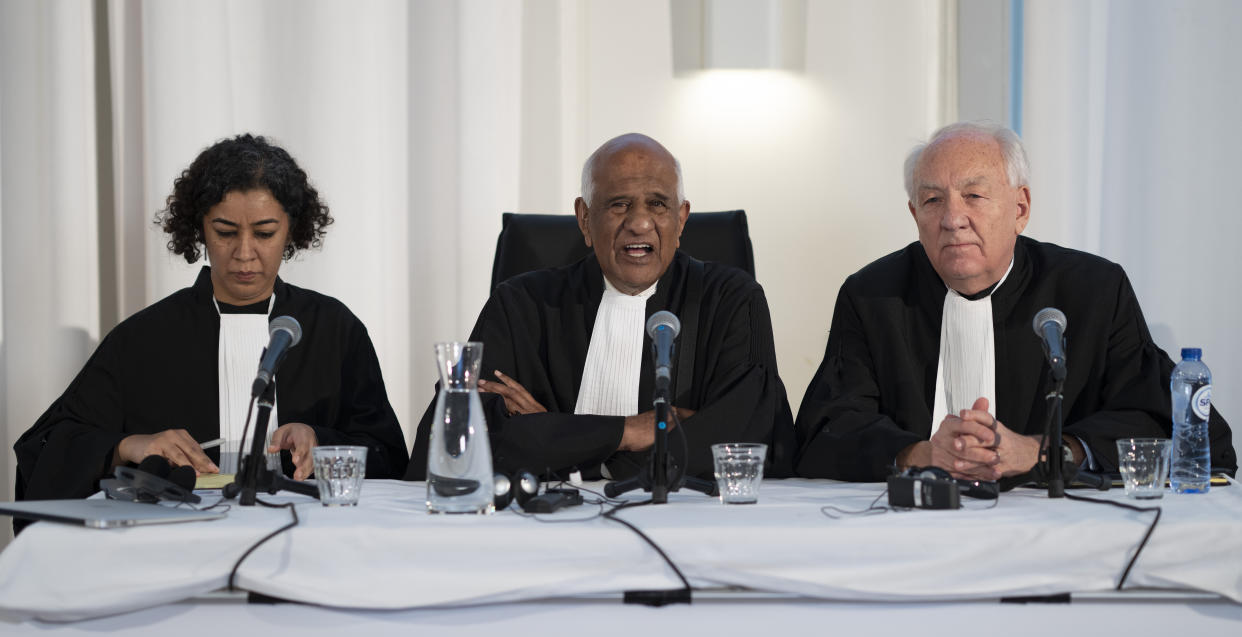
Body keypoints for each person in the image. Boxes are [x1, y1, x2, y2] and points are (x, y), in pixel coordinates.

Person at [795, 122, 1236, 482]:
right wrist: (921, 453)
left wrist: (1043, 452)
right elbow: (825, 431)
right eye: (932, 200)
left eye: (974, 195)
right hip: (911, 531)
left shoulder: (1092, 290)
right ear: (915, 215)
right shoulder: (873, 295)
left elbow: (1179, 428)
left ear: (1020, 208)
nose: (952, 219)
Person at [14, 134, 408, 500]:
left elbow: (390, 457)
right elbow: (44, 448)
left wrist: (320, 442)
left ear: (292, 229)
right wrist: (129, 446)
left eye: (265, 233)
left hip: (306, 544)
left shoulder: (334, 329)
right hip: (178, 544)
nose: (244, 252)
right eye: (225, 231)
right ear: (199, 228)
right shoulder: (146, 337)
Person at [407, 133, 795, 481]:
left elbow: (747, 442)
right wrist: (629, 432)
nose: (640, 223)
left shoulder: (731, 300)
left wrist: (556, 436)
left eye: (658, 204)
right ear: (585, 219)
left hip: (688, 529)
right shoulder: (521, 305)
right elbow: (450, 439)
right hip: (542, 532)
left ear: (681, 219)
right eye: (619, 204)